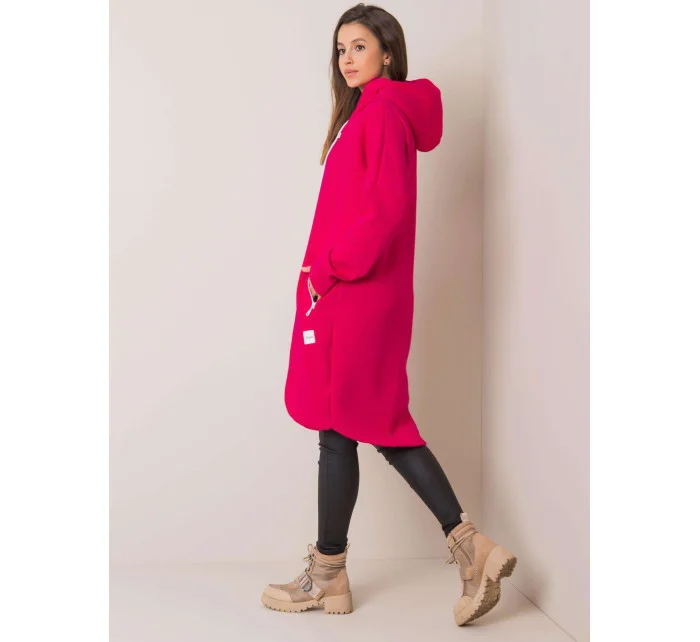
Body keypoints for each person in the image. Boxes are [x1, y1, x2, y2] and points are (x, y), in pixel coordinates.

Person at [261, 3, 516, 626]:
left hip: (356, 293)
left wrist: (327, 269)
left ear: (388, 53)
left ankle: (446, 549)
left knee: (366, 421)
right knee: (350, 422)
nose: (347, 58)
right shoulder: (374, 113)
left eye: (359, 46)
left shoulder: (379, 113)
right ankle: (346, 570)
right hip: (362, 294)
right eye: (340, 48)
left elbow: (385, 211)